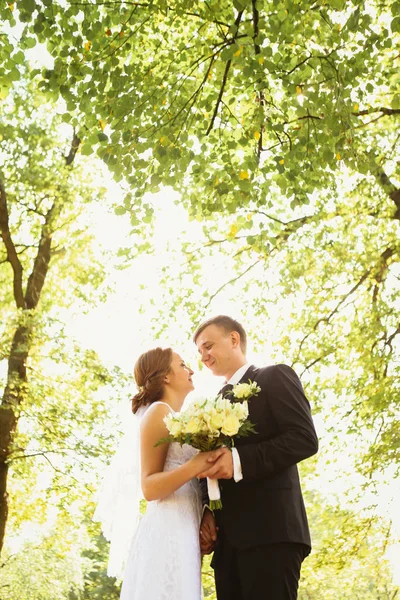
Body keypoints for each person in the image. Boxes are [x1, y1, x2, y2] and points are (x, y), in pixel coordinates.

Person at [194, 316, 319, 600]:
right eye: (199, 352)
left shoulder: (275, 376)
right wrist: (208, 508)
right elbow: (209, 462)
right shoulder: (211, 405)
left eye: (208, 346)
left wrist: (239, 460)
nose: (203, 356)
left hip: (272, 534)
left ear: (234, 339)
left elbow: (304, 439)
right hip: (227, 545)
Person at [103, 347, 223, 600]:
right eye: (182, 365)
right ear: (165, 376)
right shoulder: (159, 411)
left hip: (185, 528)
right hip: (167, 530)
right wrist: (196, 464)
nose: (190, 370)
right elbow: (149, 487)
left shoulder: (176, 418)